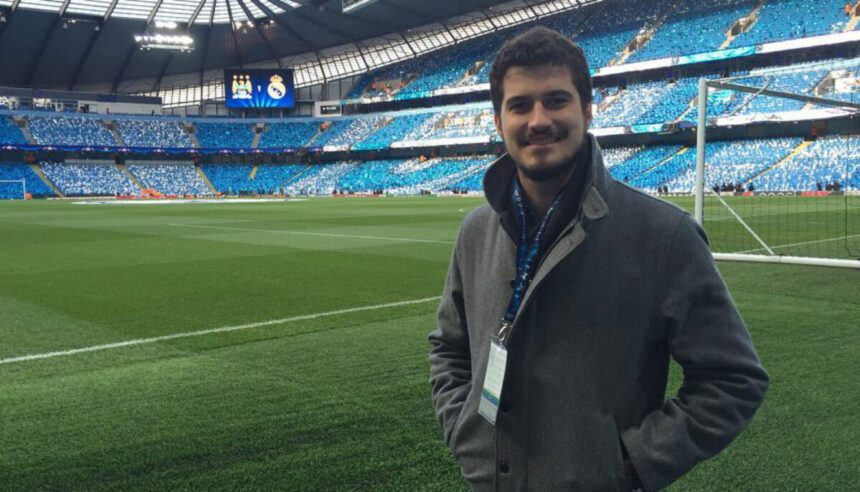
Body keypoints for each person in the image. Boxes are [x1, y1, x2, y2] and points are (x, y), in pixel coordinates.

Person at [428, 26, 769, 491]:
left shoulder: (665, 235)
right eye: (520, 105)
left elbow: (734, 379)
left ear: (588, 110)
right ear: (498, 120)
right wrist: (463, 431)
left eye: (557, 100)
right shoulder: (475, 231)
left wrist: (628, 466)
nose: (539, 119)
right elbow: (449, 347)